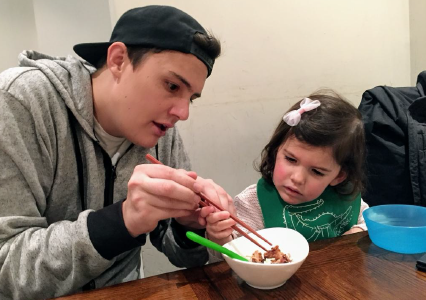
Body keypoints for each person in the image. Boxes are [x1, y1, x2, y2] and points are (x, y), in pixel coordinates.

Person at [0, 5, 229, 300]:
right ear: (118, 60)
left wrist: (188, 226)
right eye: (172, 85)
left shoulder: (162, 131)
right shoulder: (20, 102)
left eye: (191, 99)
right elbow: (7, 268)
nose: (182, 113)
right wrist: (121, 222)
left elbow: (182, 255)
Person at [205, 90, 369, 253]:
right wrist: (221, 238)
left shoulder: (344, 197)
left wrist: (357, 233)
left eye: (317, 172)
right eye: (291, 159)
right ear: (276, 150)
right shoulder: (253, 204)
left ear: (339, 176)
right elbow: (231, 255)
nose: (297, 178)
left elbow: (368, 221)